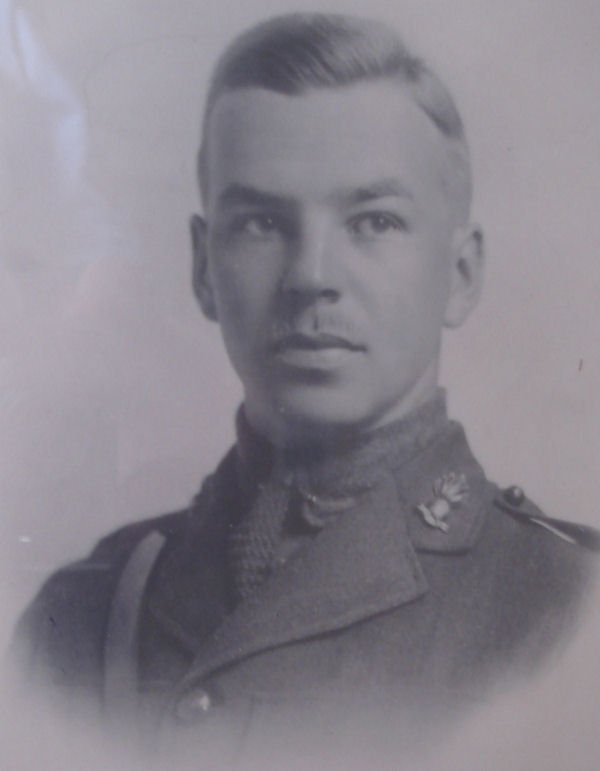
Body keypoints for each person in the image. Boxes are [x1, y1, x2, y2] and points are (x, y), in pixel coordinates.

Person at [11, 11, 599, 766]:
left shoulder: (569, 613)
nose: (312, 276)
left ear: (461, 274)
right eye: (261, 223)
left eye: (374, 222)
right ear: (203, 268)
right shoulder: (84, 613)